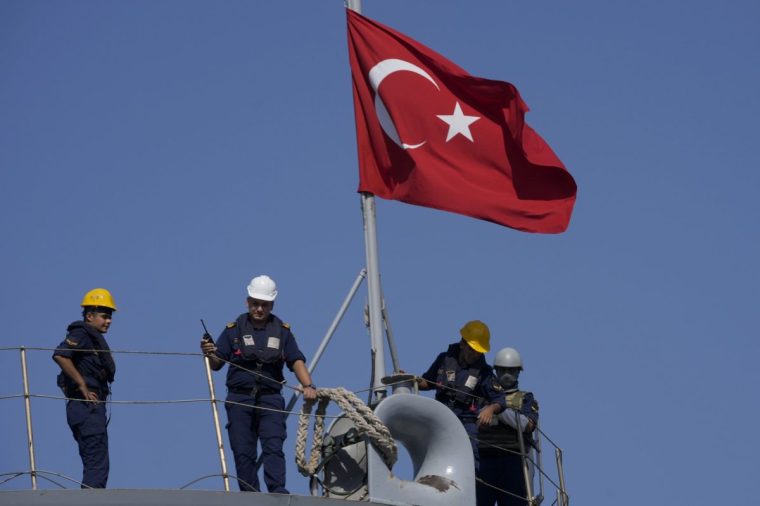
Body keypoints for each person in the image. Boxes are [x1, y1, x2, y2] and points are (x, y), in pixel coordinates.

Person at [200, 274, 317, 493]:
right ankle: (250, 496)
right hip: (239, 399)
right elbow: (217, 363)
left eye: (264, 304)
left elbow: (295, 359)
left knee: (273, 446)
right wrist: (209, 352)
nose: (259, 309)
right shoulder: (233, 330)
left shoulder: (282, 331)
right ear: (248, 302)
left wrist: (309, 385)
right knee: (242, 450)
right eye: (255, 304)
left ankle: (278, 493)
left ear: (272, 304)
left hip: (270, 399)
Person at [417, 320, 506, 471]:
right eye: (472, 349)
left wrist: (490, 409)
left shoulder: (484, 373)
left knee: (469, 455)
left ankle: (470, 484)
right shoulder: (444, 359)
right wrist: (411, 381)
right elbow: (428, 382)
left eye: (479, 351)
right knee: (429, 451)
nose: (475, 354)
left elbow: (500, 400)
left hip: (466, 421)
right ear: (462, 344)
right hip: (441, 415)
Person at [52, 288, 118, 489]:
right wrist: (81, 385)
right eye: (104, 316)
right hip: (86, 406)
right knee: (96, 461)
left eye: (110, 317)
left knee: (97, 460)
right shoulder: (81, 333)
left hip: (89, 408)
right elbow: (61, 355)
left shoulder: (91, 337)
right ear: (90, 316)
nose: (109, 321)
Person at [476, 347, 539, 506]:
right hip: (485, 458)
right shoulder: (480, 397)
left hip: (513, 459)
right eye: (502, 370)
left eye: (511, 371)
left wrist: (498, 409)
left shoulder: (526, 398)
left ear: (518, 372)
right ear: (495, 371)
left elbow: (528, 425)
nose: (506, 375)